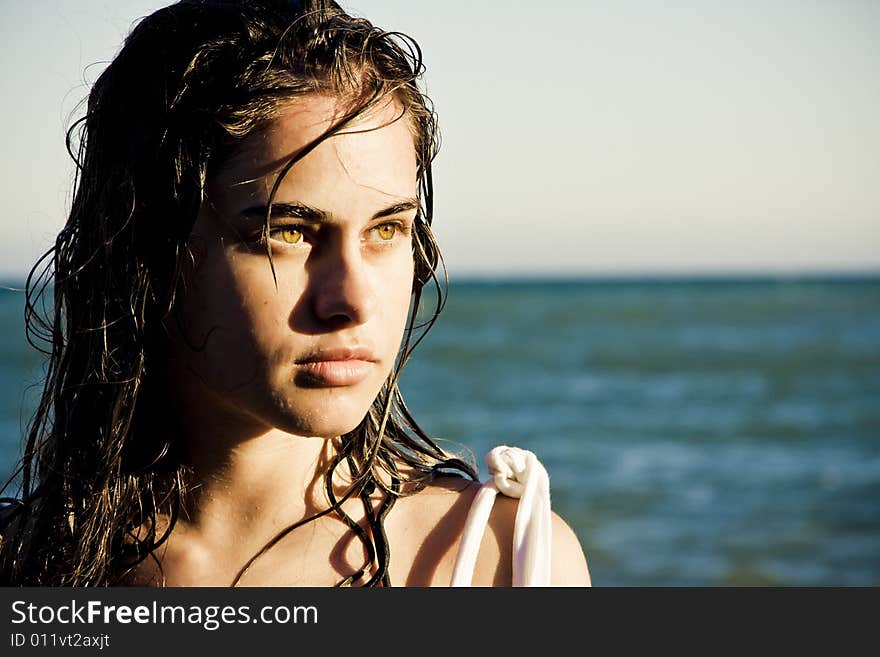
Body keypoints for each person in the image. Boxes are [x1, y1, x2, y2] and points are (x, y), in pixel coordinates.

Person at [0, 0, 590, 587]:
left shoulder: (500, 563)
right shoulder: (24, 565)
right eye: (287, 232)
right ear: (146, 250)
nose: (353, 302)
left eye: (386, 230)